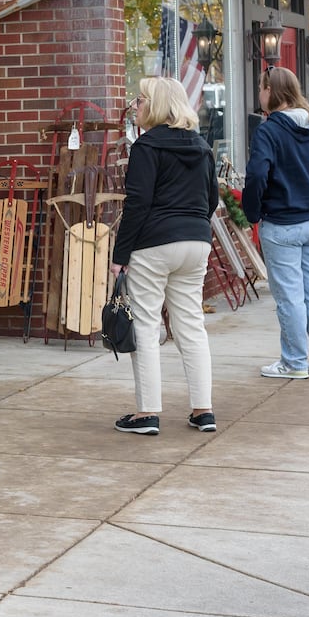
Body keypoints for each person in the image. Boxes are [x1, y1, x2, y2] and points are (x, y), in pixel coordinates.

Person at [109, 77, 220, 436]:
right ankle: (203, 410)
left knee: (144, 324)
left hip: (154, 243)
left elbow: (137, 205)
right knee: (191, 325)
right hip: (196, 241)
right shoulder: (202, 147)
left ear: (155, 105)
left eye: (140, 99)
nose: (135, 106)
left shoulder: (147, 147)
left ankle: (148, 413)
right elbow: (212, 198)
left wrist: (119, 255)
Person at [242, 66, 309, 380]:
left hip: (283, 223)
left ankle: (294, 362)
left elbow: (257, 174)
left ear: (270, 91)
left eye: (261, 87)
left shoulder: (269, 130)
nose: (259, 93)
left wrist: (252, 211)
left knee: (290, 297)